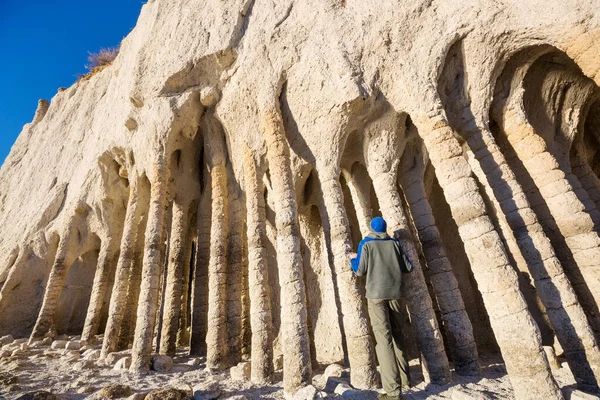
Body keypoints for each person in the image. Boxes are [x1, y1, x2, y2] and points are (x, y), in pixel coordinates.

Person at [350, 216, 413, 400]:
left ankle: (393, 391)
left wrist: (353, 259)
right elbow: (408, 267)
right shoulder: (394, 243)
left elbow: (360, 270)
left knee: (383, 340)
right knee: (398, 333)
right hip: (397, 294)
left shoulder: (366, 244)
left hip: (376, 296)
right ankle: (405, 379)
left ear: (371, 228)